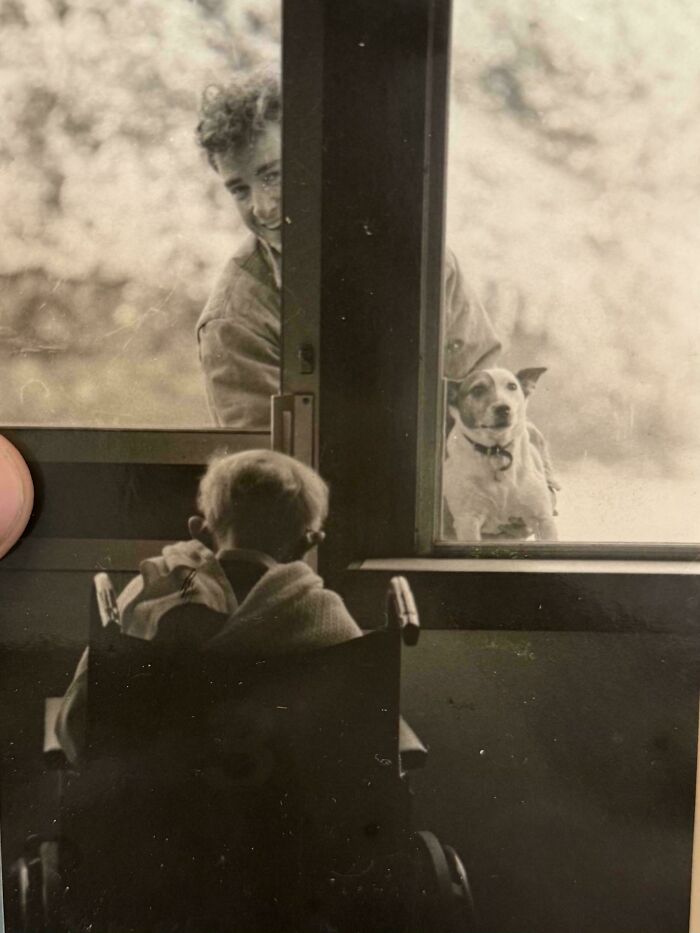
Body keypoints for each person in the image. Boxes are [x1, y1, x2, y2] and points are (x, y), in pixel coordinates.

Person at [195, 65, 502, 430]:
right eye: (239, 189)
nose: (262, 207)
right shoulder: (235, 320)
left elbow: (484, 390)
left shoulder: (416, 256)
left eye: (273, 175)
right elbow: (267, 474)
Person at [55, 449, 363, 764]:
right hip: (280, 799)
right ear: (308, 542)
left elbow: (81, 715)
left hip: (157, 799)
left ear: (198, 530)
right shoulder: (320, 612)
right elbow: (359, 717)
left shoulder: (153, 590)